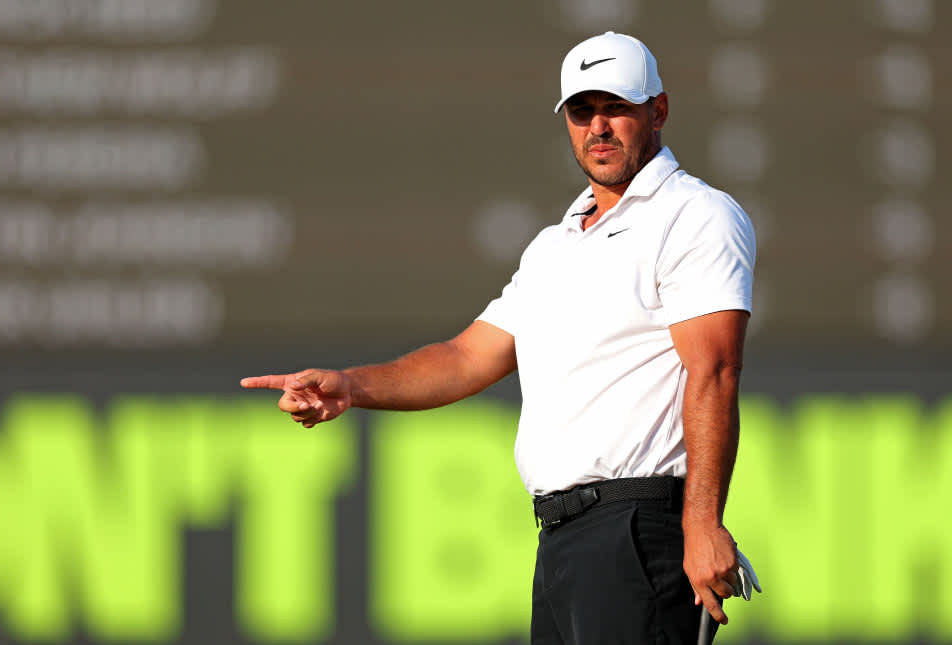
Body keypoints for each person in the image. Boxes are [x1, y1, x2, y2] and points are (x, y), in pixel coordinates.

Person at [242, 31, 756, 645]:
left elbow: (715, 371)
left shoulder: (695, 214)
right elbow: (466, 357)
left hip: (638, 532)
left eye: (616, 107)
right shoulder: (555, 244)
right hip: (562, 541)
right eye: (582, 112)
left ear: (658, 111)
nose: (599, 127)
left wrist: (703, 523)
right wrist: (351, 386)